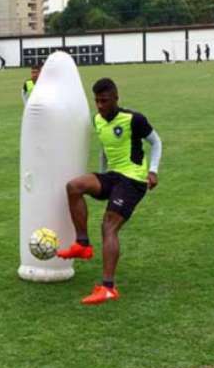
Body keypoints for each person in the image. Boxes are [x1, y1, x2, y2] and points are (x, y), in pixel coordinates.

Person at [57, 78, 163, 305]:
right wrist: (103, 176)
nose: (100, 106)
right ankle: (83, 244)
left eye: (104, 101)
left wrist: (152, 171)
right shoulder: (97, 121)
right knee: (74, 187)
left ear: (116, 98)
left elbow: (156, 142)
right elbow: (106, 148)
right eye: (97, 101)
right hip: (114, 177)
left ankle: (108, 287)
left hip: (133, 179)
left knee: (108, 226)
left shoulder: (134, 119)